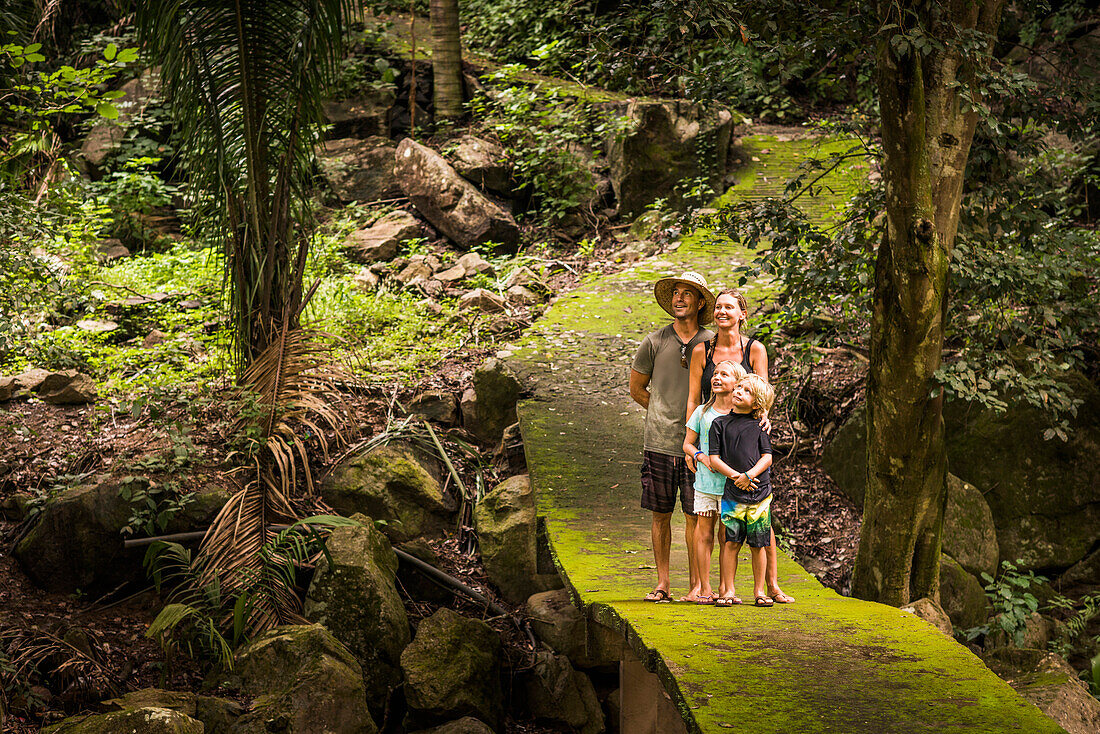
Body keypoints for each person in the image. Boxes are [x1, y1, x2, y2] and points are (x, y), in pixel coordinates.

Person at [686, 288, 796, 604]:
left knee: (761, 515)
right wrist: (691, 440)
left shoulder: (755, 350)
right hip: (713, 437)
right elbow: (695, 397)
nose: (722, 312)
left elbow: (763, 392)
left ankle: (771, 585)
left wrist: (764, 420)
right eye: (718, 307)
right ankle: (715, 588)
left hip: (747, 435)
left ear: (741, 314)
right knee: (713, 519)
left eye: (729, 307)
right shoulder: (702, 352)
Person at [630, 272, 715, 603]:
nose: (679, 298)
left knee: (696, 515)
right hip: (660, 443)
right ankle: (663, 583)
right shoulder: (654, 342)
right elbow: (637, 388)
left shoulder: (712, 342)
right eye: (675, 293)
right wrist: (661, 412)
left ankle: (697, 585)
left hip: (700, 444)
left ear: (700, 302)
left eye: (687, 294)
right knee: (660, 513)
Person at [708, 374, 777, 607]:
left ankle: (759, 591)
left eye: (746, 390)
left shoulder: (760, 426)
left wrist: (750, 475)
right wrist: (737, 476)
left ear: (757, 403)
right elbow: (714, 458)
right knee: (731, 542)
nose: (738, 391)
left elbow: (767, 457)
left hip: (759, 495)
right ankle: (728, 590)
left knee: (759, 544)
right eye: (738, 387)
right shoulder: (719, 424)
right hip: (733, 493)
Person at [683, 359, 746, 604]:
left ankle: (725, 588)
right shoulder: (702, 412)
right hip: (706, 484)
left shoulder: (743, 414)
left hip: (732, 486)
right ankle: (704, 588)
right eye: (715, 373)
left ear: (737, 382)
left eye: (724, 374)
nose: (717, 377)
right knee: (704, 534)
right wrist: (699, 455)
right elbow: (687, 443)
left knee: (727, 537)